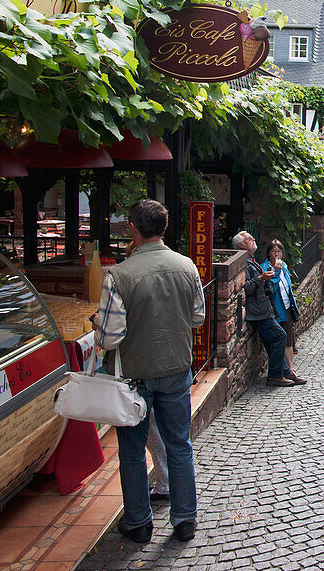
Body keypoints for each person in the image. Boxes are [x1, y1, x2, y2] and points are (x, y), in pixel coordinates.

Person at [92, 199, 204, 544]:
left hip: (134, 376)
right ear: (164, 229)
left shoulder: (120, 276)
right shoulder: (187, 267)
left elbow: (110, 337)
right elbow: (198, 317)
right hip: (175, 369)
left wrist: (97, 323)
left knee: (131, 449)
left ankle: (139, 522)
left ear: (133, 229)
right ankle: (185, 519)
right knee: (179, 444)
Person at [234, 230, 305, 387]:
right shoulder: (243, 263)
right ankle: (275, 375)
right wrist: (262, 278)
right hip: (258, 311)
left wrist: (268, 279)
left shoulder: (251, 260)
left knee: (272, 340)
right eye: (249, 239)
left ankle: (285, 371)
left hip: (265, 308)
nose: (253, 239)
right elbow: (247, 287)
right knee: (280, 336)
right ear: (241, 245)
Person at [261, 239, 305, 378]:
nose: (276, 254)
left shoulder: (284, 266)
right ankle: (282, 370)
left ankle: (290, 369)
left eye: (279, 251)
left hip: (286, 306)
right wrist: (276, 272)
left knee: (289, 339)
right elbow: (270, 290)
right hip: (275, 308)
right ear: (269, 253)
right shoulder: (265, 268)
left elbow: (287, 287)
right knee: (279, 339)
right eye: (274, 251)